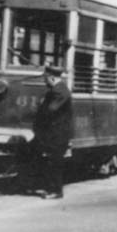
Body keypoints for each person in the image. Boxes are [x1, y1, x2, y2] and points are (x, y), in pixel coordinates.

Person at [28, 65, 73, 199]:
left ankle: (56, 191)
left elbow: (50, 111)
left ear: (52, 78)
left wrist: (39, 111)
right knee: (47, 159)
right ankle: (45, 187)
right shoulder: (56, 90)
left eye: (45, 78)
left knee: (55, 162)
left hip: (57, 134)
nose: (44, 81)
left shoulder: (60, 91)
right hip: (52, 133)